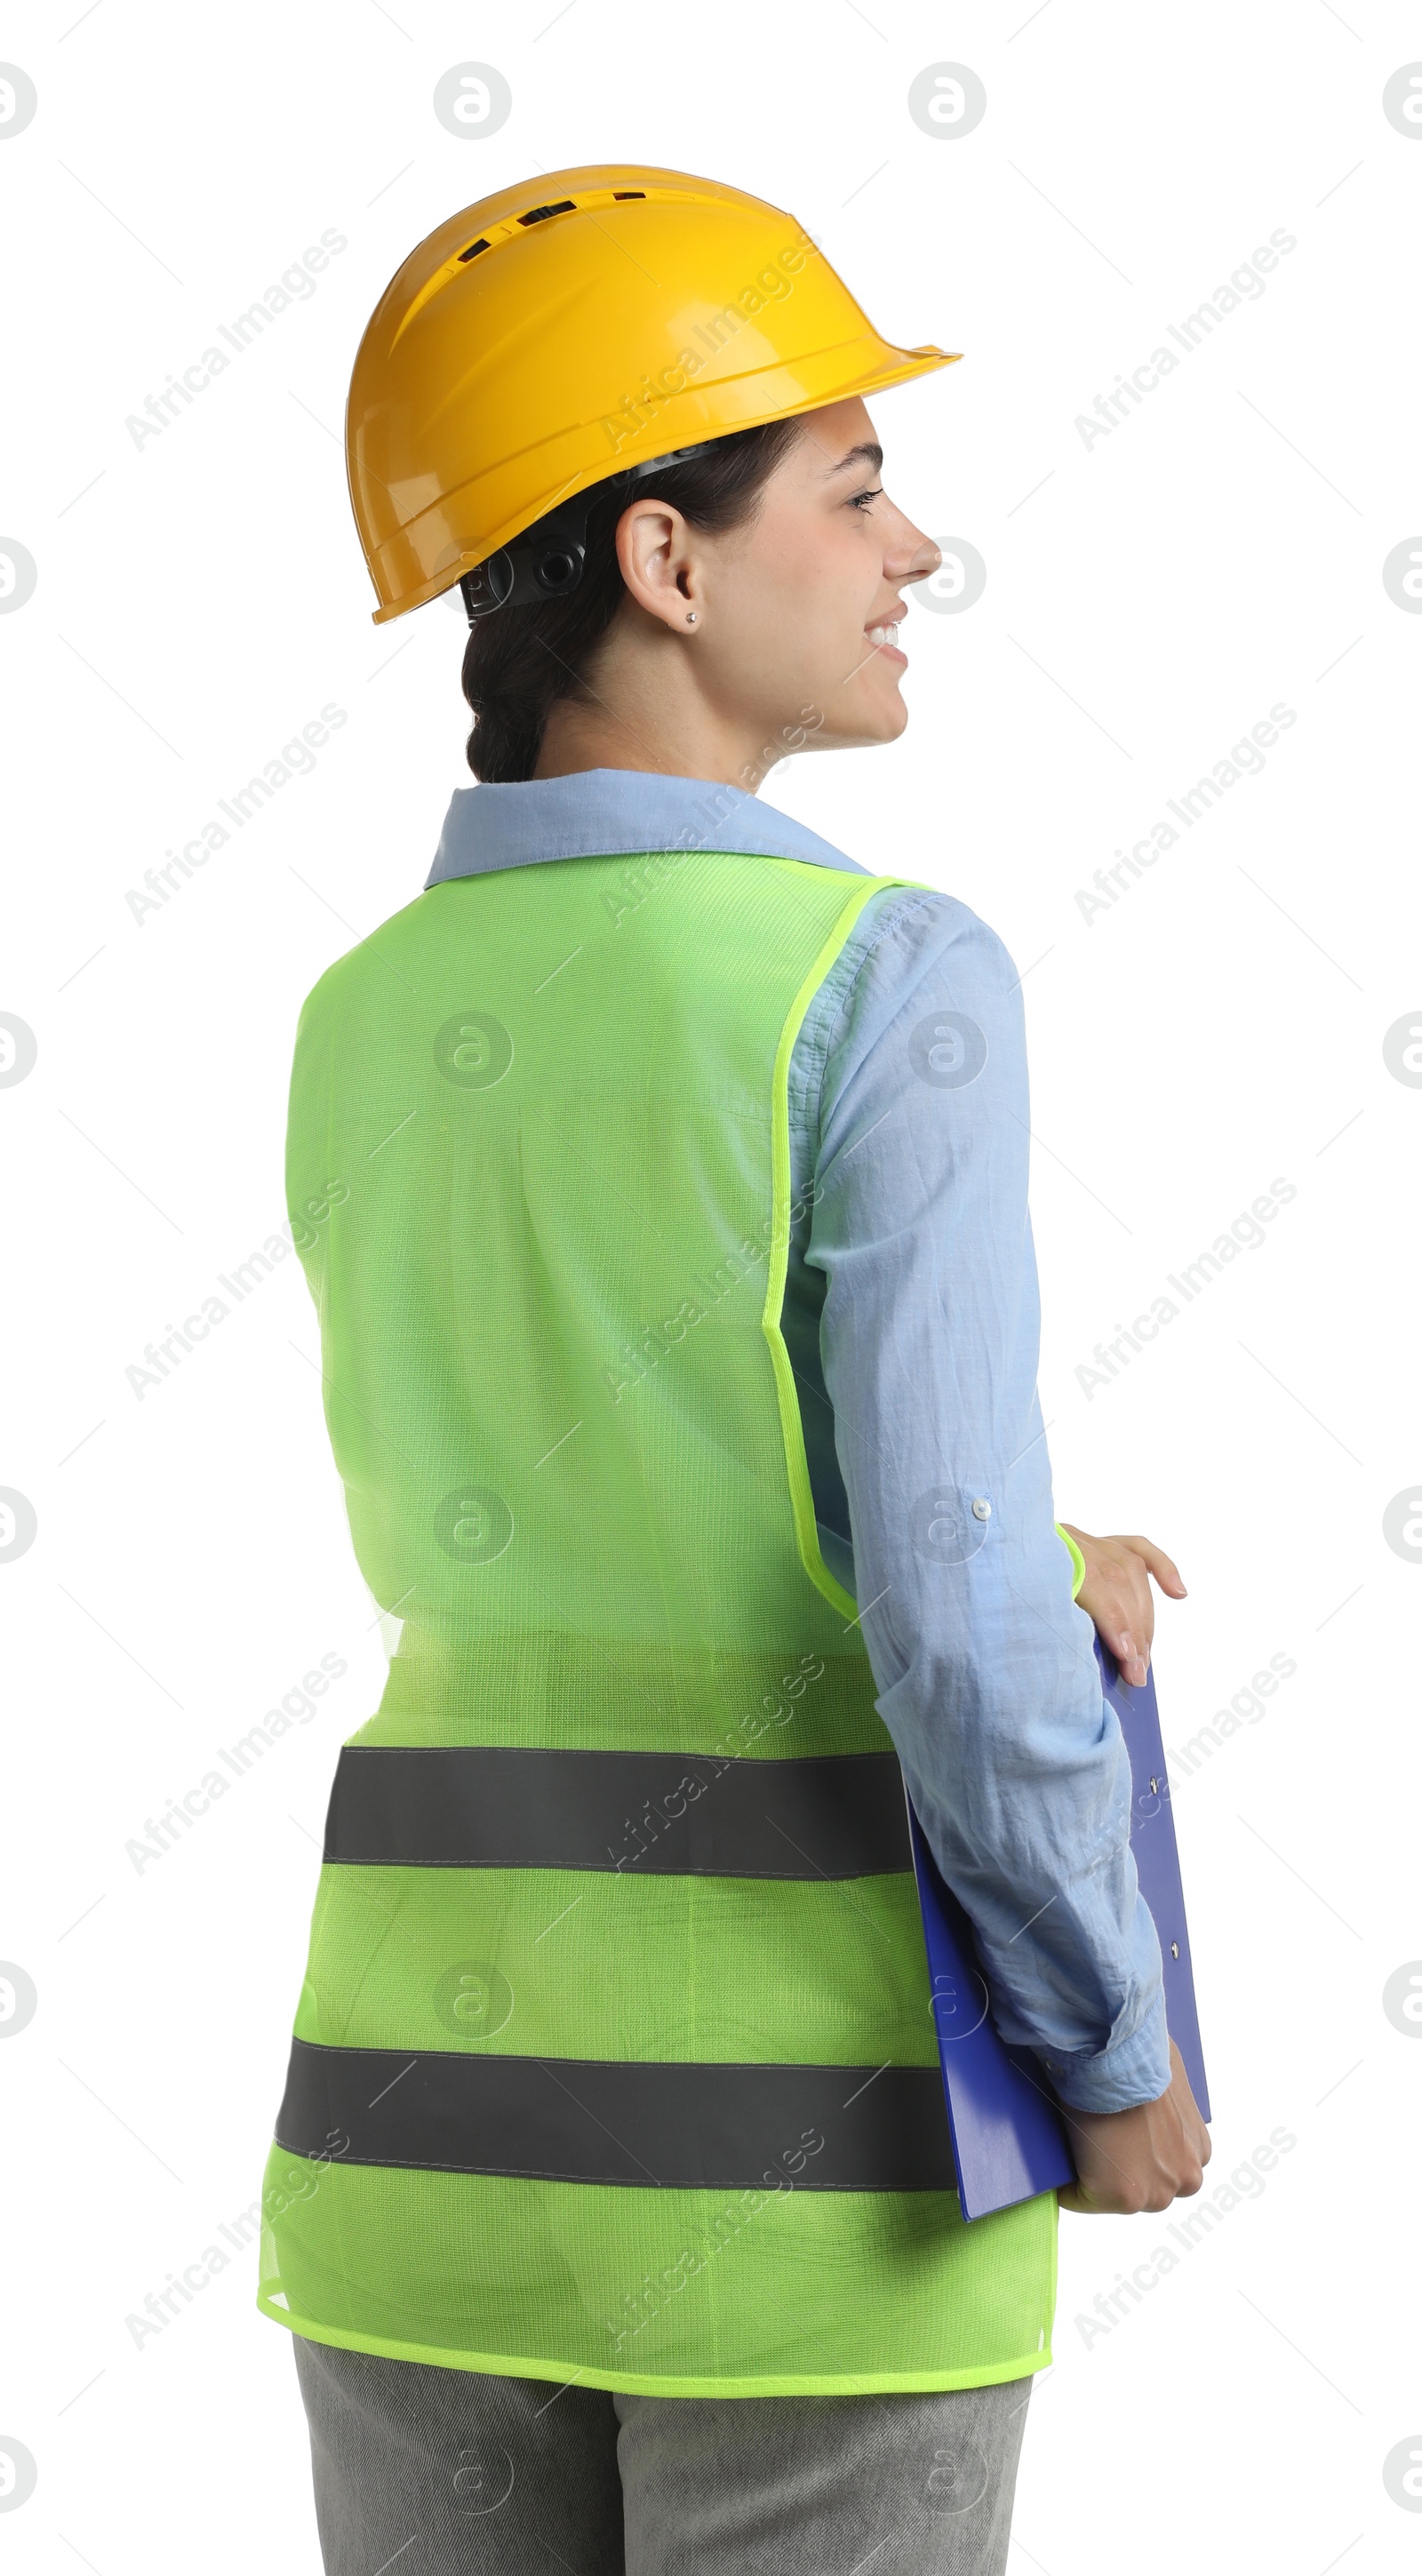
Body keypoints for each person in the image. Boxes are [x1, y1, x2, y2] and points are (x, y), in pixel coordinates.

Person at [258, 165, 1210, 2573]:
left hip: (416, 2144)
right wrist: (1110, 2038)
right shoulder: (889, 978)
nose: (915, 553)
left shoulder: (362, 1013)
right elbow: (958, 1620)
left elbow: (599, 1490)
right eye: (860, 487)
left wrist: (1010, 1537)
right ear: (668, 564)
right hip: (808, 2175)